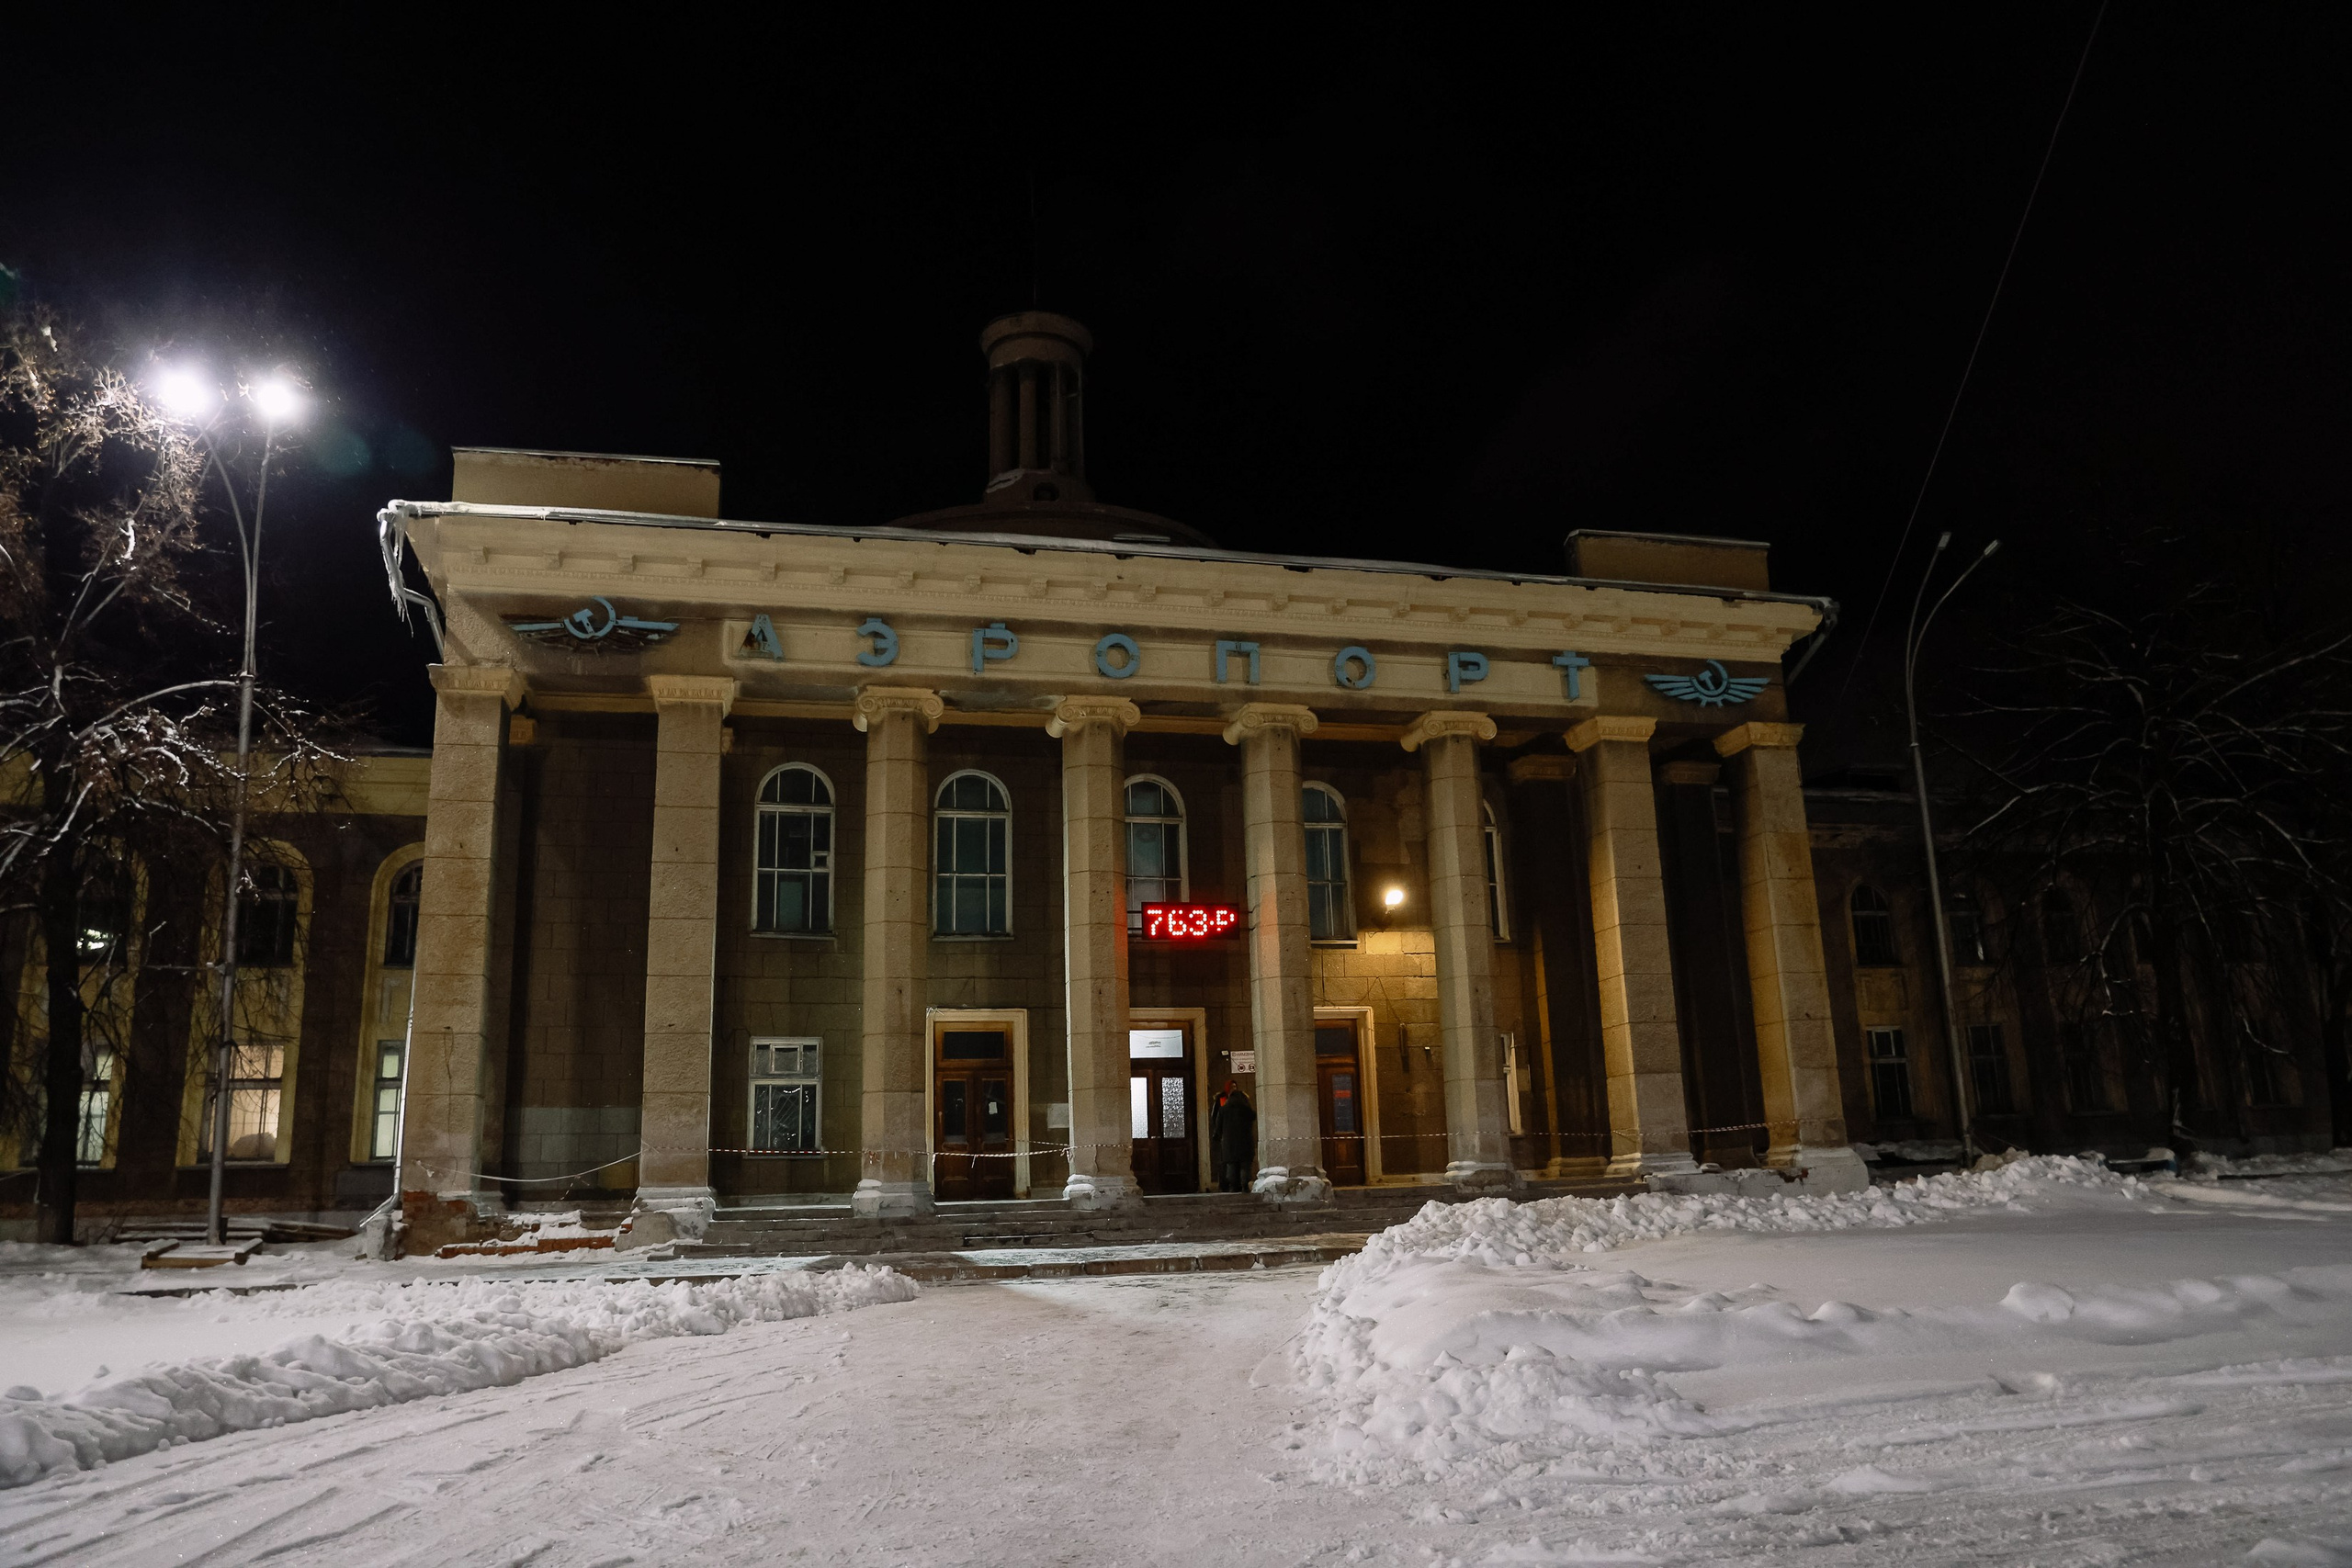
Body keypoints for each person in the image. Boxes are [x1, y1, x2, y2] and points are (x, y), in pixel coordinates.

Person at [1209, 1079, 1256, 1193]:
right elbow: (1253, 1116)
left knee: (1231, 1164)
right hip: (1245, 1141)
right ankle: (1244, 1186)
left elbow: (1217, 1123)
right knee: (1244, 1165)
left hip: (1229, 1142)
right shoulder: (1245, 1107)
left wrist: (1218, 1136)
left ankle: (1233, 1187)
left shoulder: (1224, 1109)